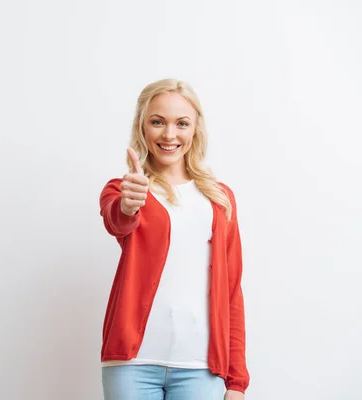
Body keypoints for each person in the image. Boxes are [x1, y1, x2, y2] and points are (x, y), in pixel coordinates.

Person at [98, 78, 250, 400]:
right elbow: (118, 221)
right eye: (157, 122)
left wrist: (236, 382)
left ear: (195, 129)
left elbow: (232, 291)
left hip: (201, 369)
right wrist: (128, 205)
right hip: (131, 366)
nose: (169, 135)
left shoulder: (220, 200)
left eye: (181, 123)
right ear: (142, 127)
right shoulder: (124, 190)